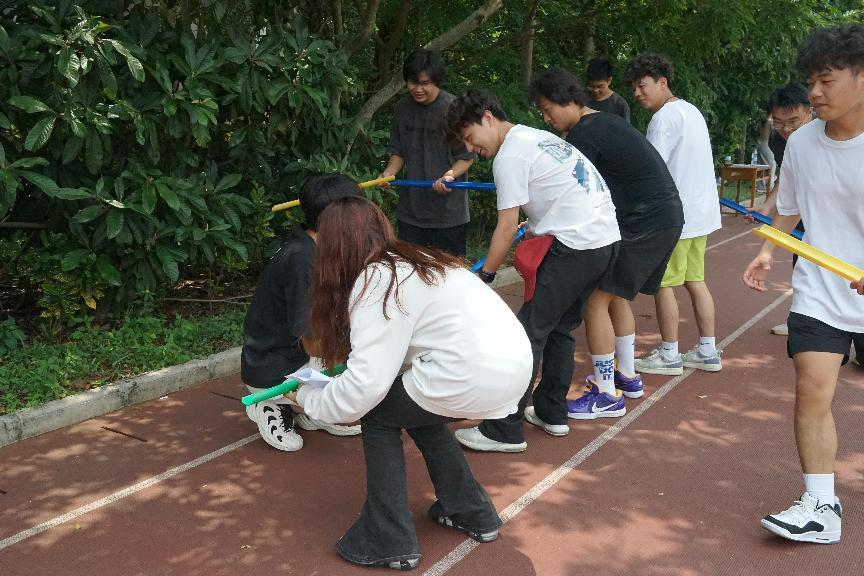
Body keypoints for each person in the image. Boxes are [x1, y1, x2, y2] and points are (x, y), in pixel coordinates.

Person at [288, 196, 532, 570]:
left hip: (471, 373)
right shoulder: (418, 261)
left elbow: (364, 391)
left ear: (333, 249)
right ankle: (472, 511)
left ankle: (388, 539)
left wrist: (308, 397)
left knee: (378, 414)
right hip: (512, 368)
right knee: (414, 408)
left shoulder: (375, 280)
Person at [443, 89, 621, 450]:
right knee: (560, 328)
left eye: (470, 137)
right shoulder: (534, 137)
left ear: (487, 117)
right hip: (604, 240)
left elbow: (506, 228)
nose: (471, 148)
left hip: (576, 245)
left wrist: (485, 275)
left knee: (525, 335)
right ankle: (551, 411)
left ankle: (503, 430)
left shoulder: (509, 156)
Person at [743, 23, 864, 544]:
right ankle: (820, 504)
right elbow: (789, 208)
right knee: (811, 388)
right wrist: (769, 250)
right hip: (820, 287)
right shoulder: (802, 143)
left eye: (826, 81)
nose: (814, 92)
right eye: (810, 81)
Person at [529, 68, 684, 419]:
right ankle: (625, 376)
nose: (547, 118)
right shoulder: (602, 122)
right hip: (663, 216)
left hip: (645, 220)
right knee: (615, 296)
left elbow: (576, 193)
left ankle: (605, 394)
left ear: (568, 100)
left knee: (595, 300)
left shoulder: (585, 134)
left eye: (548, 109)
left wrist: (540, 222)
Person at [241, 174, 362, 451]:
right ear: (337, 218)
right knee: (357, 385)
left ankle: (311, 407)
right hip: (274, 370)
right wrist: (355, 361)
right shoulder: (301, 260)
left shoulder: (318, 246)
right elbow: (310, 339)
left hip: (300, 358)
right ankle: (271, 402)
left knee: (353, 384)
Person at [625, 53, 723, 375]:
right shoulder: (691, 111)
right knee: (695, 280)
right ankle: (707, 350)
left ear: (662, 82)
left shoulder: (664, 118)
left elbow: (651, 169)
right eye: (634, 88)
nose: (637, 93)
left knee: (663, 284)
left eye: (642, 86)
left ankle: (669, 354)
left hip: (677, 217)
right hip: (701, 214)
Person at [380, 48, 475, 256]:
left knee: (449, 272)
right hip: (410, 213)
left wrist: (449, 176)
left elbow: (466, 157)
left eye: (425, 83)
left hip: (448, 215)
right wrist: (388, 173)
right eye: (413, 83)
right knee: (412, 271)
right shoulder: (402, 108)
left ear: (436, 81)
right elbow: (398, 151)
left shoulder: (453, 109)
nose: (418, 89)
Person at [751, 82, 814, 336]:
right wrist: (767, 205)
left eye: (793, 122)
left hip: (838, 216)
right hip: (803, 214)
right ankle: (801, 318)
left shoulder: (831, 132)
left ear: (810, 112)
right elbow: (787, 180)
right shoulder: (780, 141)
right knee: (803, 265)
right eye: (779, 122)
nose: (786, 129)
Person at [586, 57, 631, 123]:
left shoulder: (620, 105)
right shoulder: (581, 98)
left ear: (609, 80)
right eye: (592, 86)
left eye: (600, 86)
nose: (596, 90)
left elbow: (625, 128)